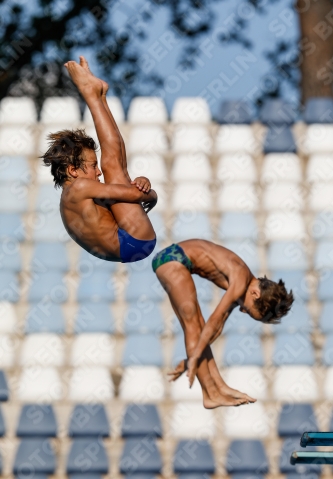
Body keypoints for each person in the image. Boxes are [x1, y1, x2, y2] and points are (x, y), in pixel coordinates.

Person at [41, 56, 157, 263]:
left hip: (130, 243)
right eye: (92, 166)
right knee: (114, 167)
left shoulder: (74, 194)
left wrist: (142, 186)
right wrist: (151, 194)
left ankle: (100, 95)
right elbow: (135, 194)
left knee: (118, 169)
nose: (98, 172)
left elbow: (131, 191)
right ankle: (91, 94)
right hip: (132, 241)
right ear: (72, 170)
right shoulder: (79, 188)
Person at [152, 240, 294, 409]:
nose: (242, 311)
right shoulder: (241, 278)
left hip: (174, 261)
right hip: (173, 260)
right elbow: (215, 319)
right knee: (194, 327)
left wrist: (191, 357)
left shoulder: (244, 288)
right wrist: (195, 357)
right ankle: (209, 394)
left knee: (199, 327)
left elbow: (216, 329)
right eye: (247, 310)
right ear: (255, 294)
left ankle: (219, 386)